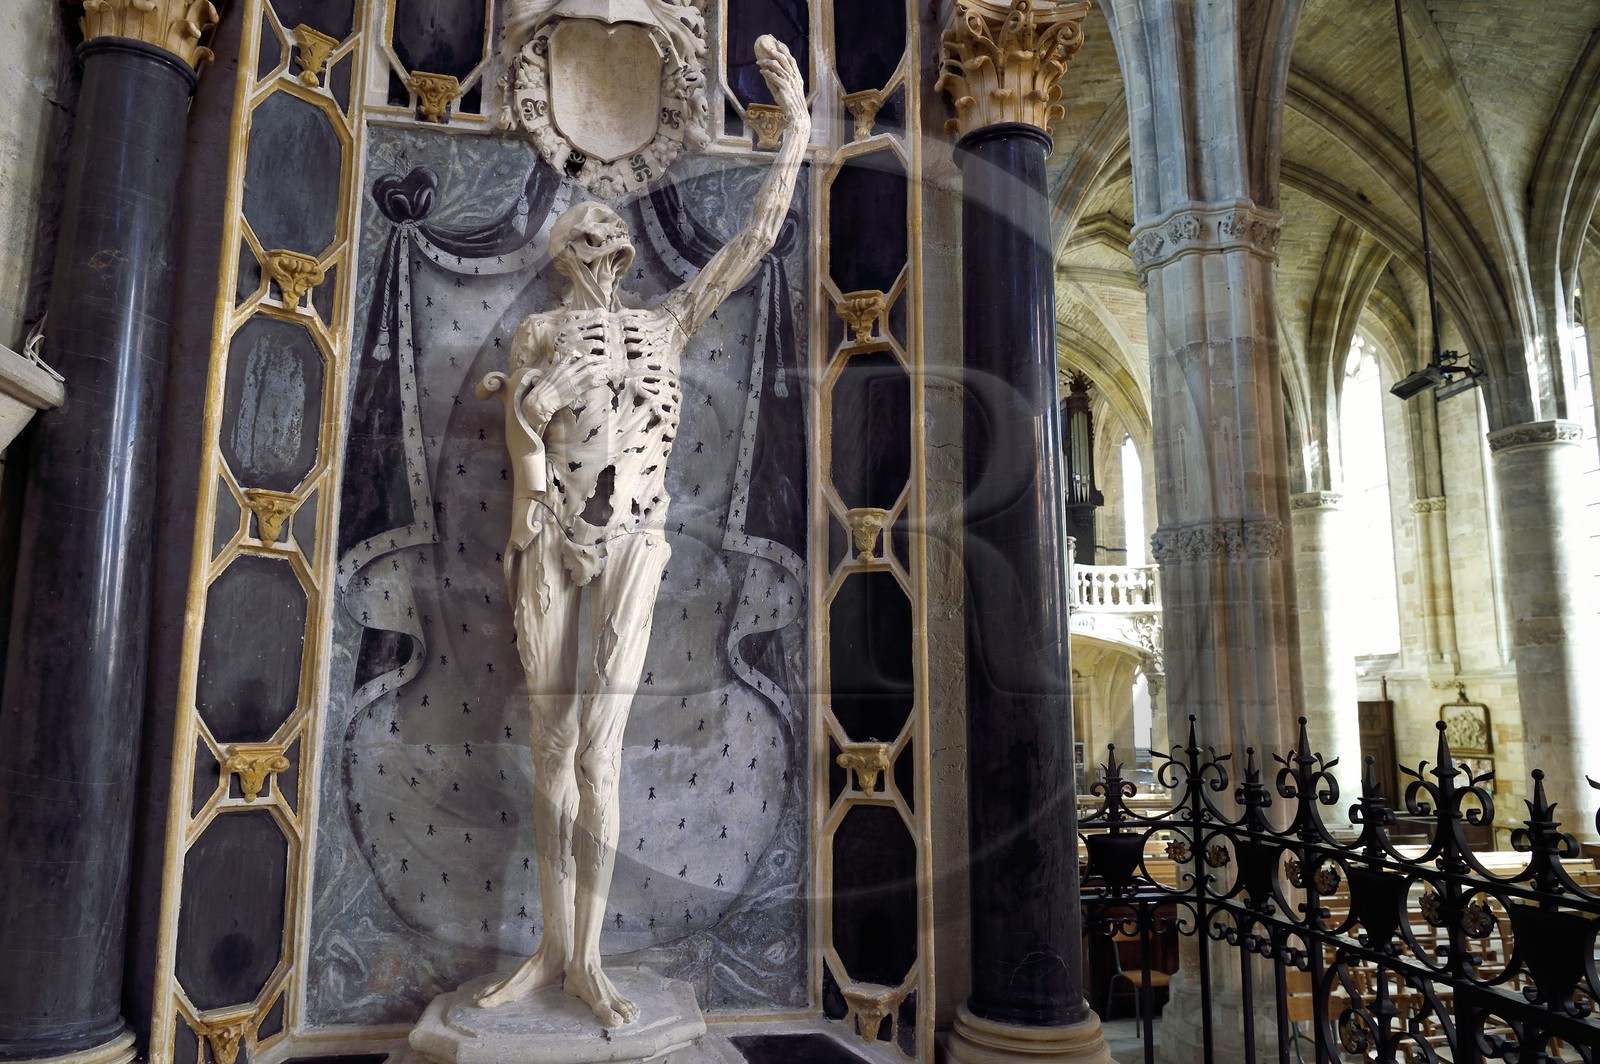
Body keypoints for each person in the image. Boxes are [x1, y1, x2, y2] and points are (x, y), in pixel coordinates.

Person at [473, 35, 809, 1026]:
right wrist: (536, 399)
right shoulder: (539, 332)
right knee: (551, 737)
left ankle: (587, 957)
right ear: (560, 255)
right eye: (584, 243)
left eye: (613, 245)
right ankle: (549, 948)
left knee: (598, 747)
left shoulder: (668, 320)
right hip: (546, 534)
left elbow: (750, 245)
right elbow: (520, 448)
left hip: (633, 539)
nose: (605, 259)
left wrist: (793, 137)